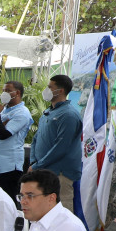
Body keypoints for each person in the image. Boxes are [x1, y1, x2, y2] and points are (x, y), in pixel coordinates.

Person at [29, 74, 82, 211]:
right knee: (43, 210)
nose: (46, 90)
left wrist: (38, 165)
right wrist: (33, 161)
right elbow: (36, 138)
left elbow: (61, 147)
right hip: (42, 170)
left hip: (60, 174)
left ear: (61, 90)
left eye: (50, 87)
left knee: (61, 210)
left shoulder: (68, 115)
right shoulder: (48, 112)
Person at [0, 81, 32, 201]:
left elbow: (3, 135)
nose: (3, 93)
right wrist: (0, 125)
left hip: (9, 165)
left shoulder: (22, 112)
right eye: (3, 90)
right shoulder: (3, 110)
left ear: (17, 93)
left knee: (8, 199)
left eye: (7, 90)